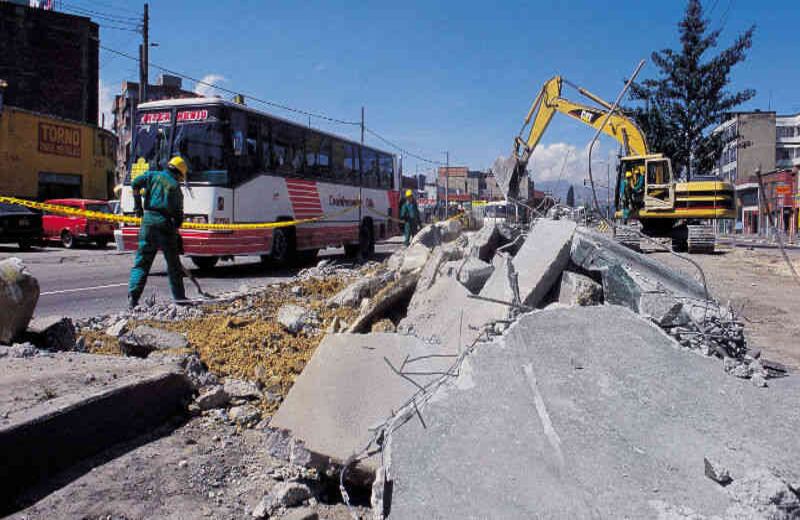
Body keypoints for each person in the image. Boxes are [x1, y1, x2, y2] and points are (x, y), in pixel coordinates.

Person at [127, 156, 188, 309]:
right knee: (173, 265)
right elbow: (178, 215)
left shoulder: (152, 175)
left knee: (142, 262)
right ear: (179, 174)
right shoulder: (175, 187)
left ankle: (133, 298)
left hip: (147, 223)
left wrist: (138, 206)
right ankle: (180, 299)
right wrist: (176, 232)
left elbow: (134, 184)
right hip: (165, 225)